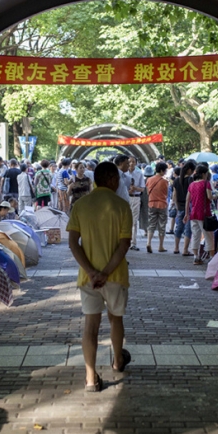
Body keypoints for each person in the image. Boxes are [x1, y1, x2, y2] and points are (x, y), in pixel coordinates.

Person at [66, 162, 133, 392]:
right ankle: (117, 360)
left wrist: (92, 271)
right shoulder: (122, 206)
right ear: (113, 179)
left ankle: (90, 379)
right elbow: (125, 244)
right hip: (116, 276)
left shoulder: (81, 205)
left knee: (90, 327)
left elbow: (73, 242)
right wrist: (105, 272)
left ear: (96, 180)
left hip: (88, 278)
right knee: (116, 320)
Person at [184, 165, 214, 266]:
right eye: (206, 174)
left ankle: (196, 257)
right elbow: (209, 197)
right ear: (203, 174)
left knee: (195, 236)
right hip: (204, 214)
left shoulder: (192, 185)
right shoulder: (206, 183)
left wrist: (186, 214)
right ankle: (211, 258)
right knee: (208, 236)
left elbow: (187, 200)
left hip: (193, 214)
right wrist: (216, 196)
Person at [172, 160, 195, 255]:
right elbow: (192, 194)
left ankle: (176, 248)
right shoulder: (190, 180)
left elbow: (174, 196)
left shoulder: (176, 180)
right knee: (188, 229)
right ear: (189, 170)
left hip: (180, 207)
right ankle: (185, 250)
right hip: (188, 207)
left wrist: (177, 207)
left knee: (179, 228)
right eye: (193, 170)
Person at [145, 161, 169, 253]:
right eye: (165, 170)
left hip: (151, 204)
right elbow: (166, 194)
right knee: (162, 225)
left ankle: (148, 243)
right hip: (162, 205)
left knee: (151, 224)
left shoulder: (149, 180)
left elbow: (147, 193)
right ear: (162, 171)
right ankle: (160, 246)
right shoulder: (165, 182)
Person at [127, 157, 145, 250]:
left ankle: (133, 242)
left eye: (133, 162)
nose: (131, 163)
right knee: (125, 221)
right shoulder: (123, 174)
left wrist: (135, 188)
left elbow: (142, 188)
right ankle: (125, 241)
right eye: (129, 161)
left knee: (134, 222)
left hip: (135, 198)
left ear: (136, 163)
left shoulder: (139, 174)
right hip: (125, 198)